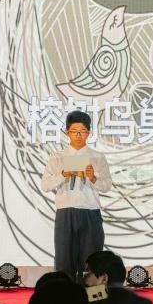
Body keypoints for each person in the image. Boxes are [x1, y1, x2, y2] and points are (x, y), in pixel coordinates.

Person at [39, 110, 112, 283]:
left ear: (89, 132)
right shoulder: (57, 157)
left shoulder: (97, 157)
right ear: (67, 132)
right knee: (64, 260)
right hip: (66, 213)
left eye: (82, 131)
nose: (78, 136)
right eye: (74, 131)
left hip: (90, 212)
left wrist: (93, 177)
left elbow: (107, 185)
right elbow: (45, 185)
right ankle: (66, 296)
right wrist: (63, 174)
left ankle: (94, 297)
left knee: (93, 261)